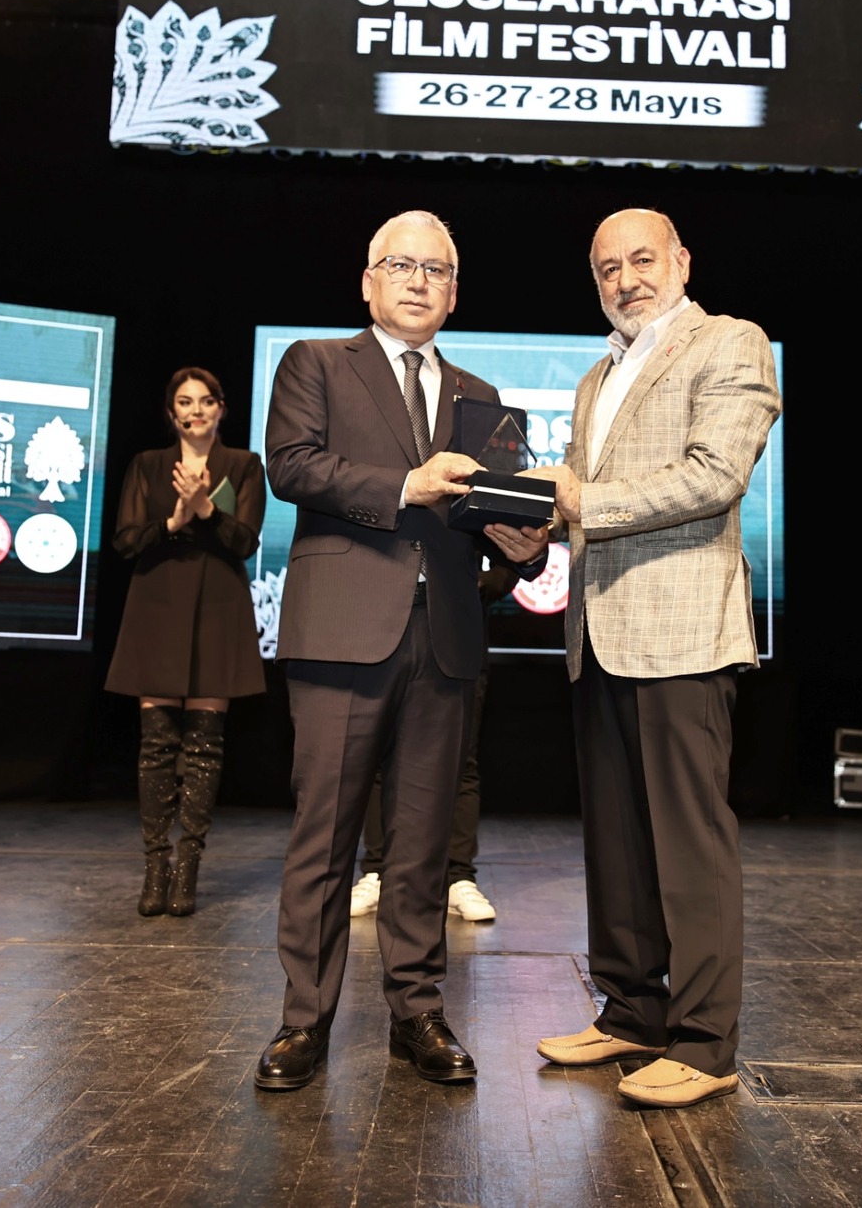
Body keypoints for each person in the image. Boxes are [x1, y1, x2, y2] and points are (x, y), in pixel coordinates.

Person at [254, 209, 548, 1092]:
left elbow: (492, 517)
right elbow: (291, 465)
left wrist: (524, 542)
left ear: (455, 293)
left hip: (447, 634)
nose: (420, 281)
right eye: (402, 265)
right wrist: (406, 485)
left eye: (437, 270)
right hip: (342, 627)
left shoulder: (480, 396)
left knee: (422, 841)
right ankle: (303, 1020)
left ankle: (417, 1010)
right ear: (368, 280)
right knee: (325, 834)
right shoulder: (315, 362)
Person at [495, 208, 780, 1110]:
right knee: (617, 841)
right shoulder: (596, 375)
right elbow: (577, 498)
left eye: (642, 259)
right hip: (601, 631)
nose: (626, 279)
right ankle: (630, 1011)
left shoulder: (730, 342)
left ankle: (704, 1042)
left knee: (690, 845)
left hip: (684, 630)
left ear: (682, 261)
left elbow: (715, 475)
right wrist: (529, 522)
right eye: (607, 268)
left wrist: (581, 500)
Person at [105, 367, 267, 918]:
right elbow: (127, 539)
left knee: (203, 746)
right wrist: (174, 521)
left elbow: (245, 541)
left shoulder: (243, 465)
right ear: (171, 412)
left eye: (205, 401)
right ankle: (156, 866)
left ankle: (188, 868)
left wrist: (206, 511)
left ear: (221, 408)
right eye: (184, 402)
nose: (195, 411)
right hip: (157, 604)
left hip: (218, 606)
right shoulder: (148, 465)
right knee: (156, 747)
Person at [349, 557, 515, 924]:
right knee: (379, 755)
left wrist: (472, 582)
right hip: (384, 627)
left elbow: (509, 564)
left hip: (458, 632)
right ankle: (376, 871)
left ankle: (458, 876)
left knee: (461, 761)